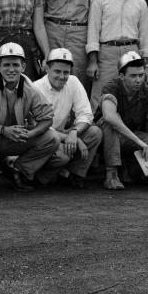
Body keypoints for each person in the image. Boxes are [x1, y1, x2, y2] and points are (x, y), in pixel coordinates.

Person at [0, 43, 59, 192]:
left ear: (23, 67)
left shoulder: (30, 88)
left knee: (52, 137)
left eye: (16, 65)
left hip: (17, 138)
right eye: (6, 65)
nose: (11, 69)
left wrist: (30, 134)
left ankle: (18, 171)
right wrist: (3, 130)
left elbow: (47, 118)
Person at [86, 0, 148, 101]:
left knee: (131, 96)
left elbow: (145, 36)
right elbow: (93, 32)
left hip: (132, 51)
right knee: (101, 95)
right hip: (107, 54)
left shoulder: (140, 2)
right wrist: (93, 62)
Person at [33, 47, 102, 188]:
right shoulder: (36, 88)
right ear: (47, 69)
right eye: (57, 71)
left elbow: (86, 114)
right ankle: (40, 178)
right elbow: (37, 127)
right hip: (43, 138)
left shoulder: (73, 81)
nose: (62, 76)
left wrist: (74, 131)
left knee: (95, 132)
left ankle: (74, 174)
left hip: (64, 134)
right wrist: (72, 138)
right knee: (62, 156)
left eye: (66, 72)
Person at [98, 50, 148, 191]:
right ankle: (111, 175)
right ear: (121, 76)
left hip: (131, 136)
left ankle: (134, 170)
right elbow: (109, 116)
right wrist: (139, 142)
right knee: (111, 123)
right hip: (105, 137)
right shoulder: (111, 87)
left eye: (141, 75)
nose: (138, 80)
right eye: (133, 76)